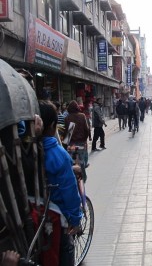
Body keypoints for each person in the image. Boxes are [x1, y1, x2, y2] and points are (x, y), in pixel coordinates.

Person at [39, 100, 82, 266]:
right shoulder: (57, 154)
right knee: (65, 250)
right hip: (56, 214)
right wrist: (75, 219)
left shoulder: (28, 149)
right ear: (52, 125)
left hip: (33, 209)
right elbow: (69, 191)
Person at [64, 100, 90, 178]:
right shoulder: (82, 116)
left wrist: (65, 145)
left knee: (72, 162)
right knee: (82, 162)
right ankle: (83, 179)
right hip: (81, 143)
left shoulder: (67, 118)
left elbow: (67, 134)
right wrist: (85, 139)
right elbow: (86, 129)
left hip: (71, 143)